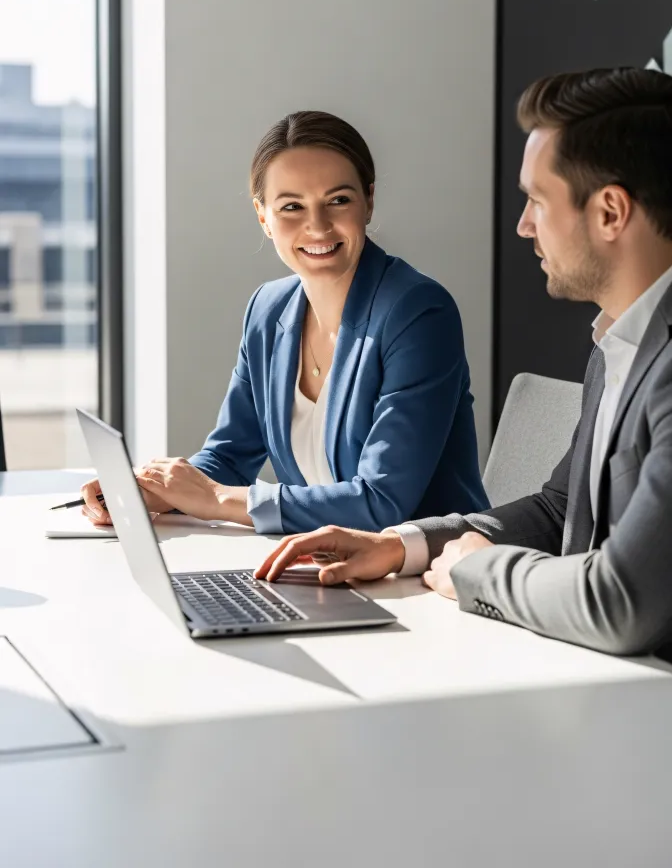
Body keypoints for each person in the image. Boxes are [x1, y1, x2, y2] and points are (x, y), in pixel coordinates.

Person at [255, 68, 672, 660]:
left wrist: (482, 572)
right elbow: (560, 509)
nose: (524, 225)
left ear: (609, 212)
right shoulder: (619, 344)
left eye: (537, 200)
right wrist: (400, 546)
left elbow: (621, 602)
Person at [82, 110, 488, 534]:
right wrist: (149, 492)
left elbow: (381, 501)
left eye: (338, 200)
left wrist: (215, 499)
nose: (317, 226)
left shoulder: (418, 312)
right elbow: (227, 459)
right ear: (263, 216)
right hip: (319, 567)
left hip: (426, 575)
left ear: (368, 201)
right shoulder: (268, 308)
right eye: (292, 206)